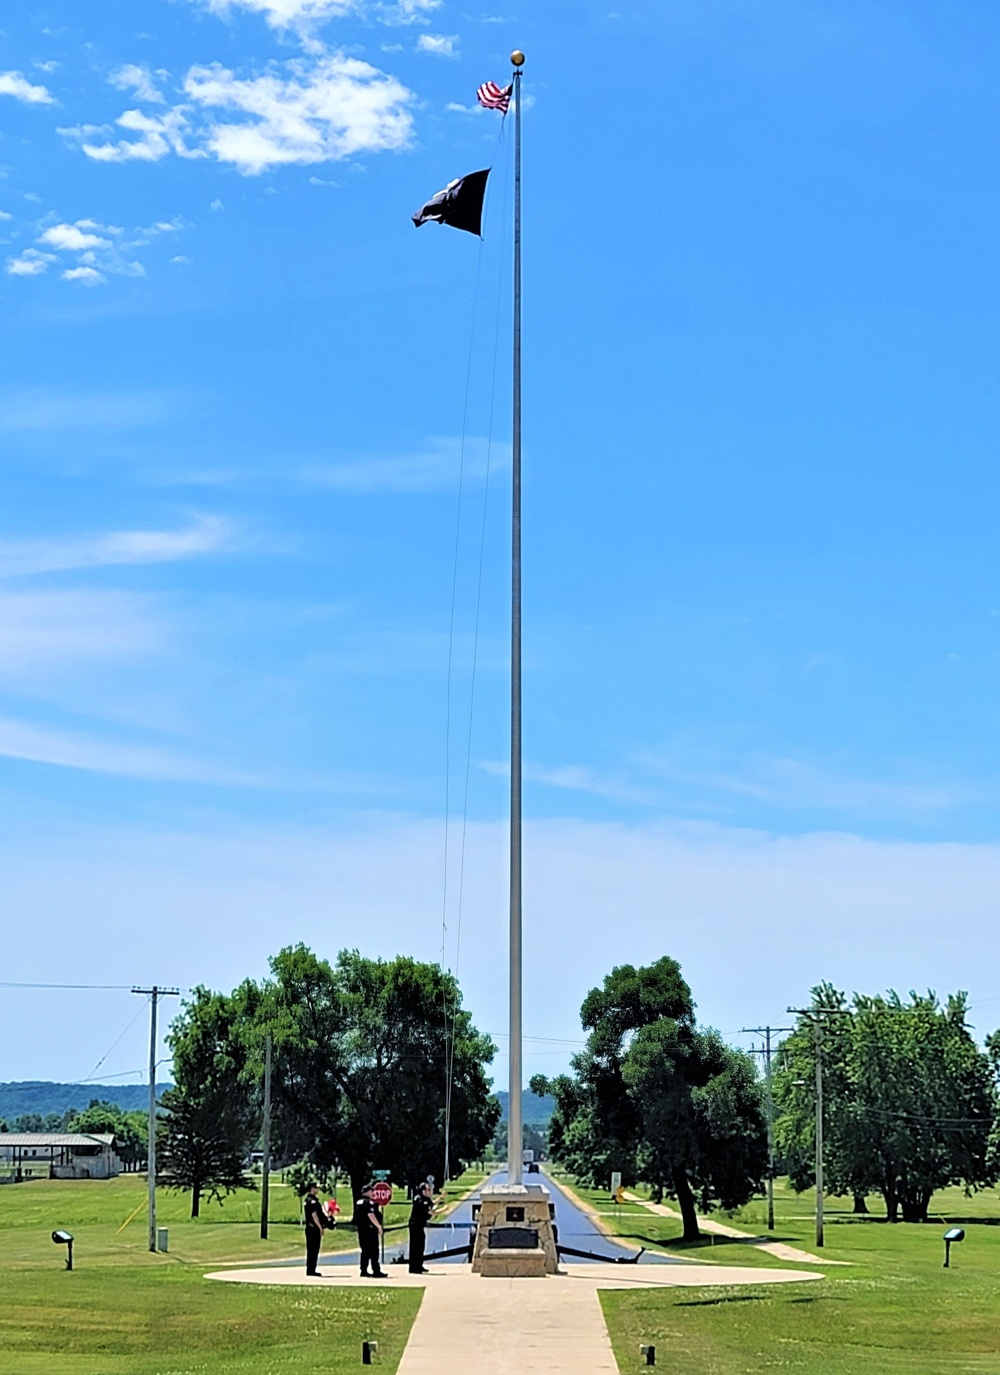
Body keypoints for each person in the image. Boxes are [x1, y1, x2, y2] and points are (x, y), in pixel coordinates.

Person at [356, 1183, 386, 1278]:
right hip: (370, 1230)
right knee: (374, 1251)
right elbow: (371, 1215)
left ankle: (363, 1270)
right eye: (371, 1191)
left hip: (361, 1230)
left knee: (365, 1251)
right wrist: (378, 1226)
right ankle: (376, 1271)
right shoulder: (369, 1203)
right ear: (367, 1192)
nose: (373, 1192)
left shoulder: (358, 1202)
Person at [407, 1181, 435, 1274]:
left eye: (429, 1190)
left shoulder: (426, 1199)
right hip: (415, 1225)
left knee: (421, 1245)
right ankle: (414, 1267)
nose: (428, 1191)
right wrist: (438, 1211)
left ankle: (419, 1264)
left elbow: (431, 1205)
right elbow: (427, 1209)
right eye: (427, 1189)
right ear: (422, 1190)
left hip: (420, 1225)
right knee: (415, 1246)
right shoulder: (418, 1198)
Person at [303, 1181, 327, 1277]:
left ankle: (311, 1268)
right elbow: (314, 1215)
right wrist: (320, 1227)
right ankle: (311, 1270)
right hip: (313, 1228)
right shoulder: (312, 1201)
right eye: (316, 1188)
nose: (318, 1190)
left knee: (311, 1249)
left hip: (309, 1227)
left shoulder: (308, 1199)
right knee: (314, 1249)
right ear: (312, 1189)